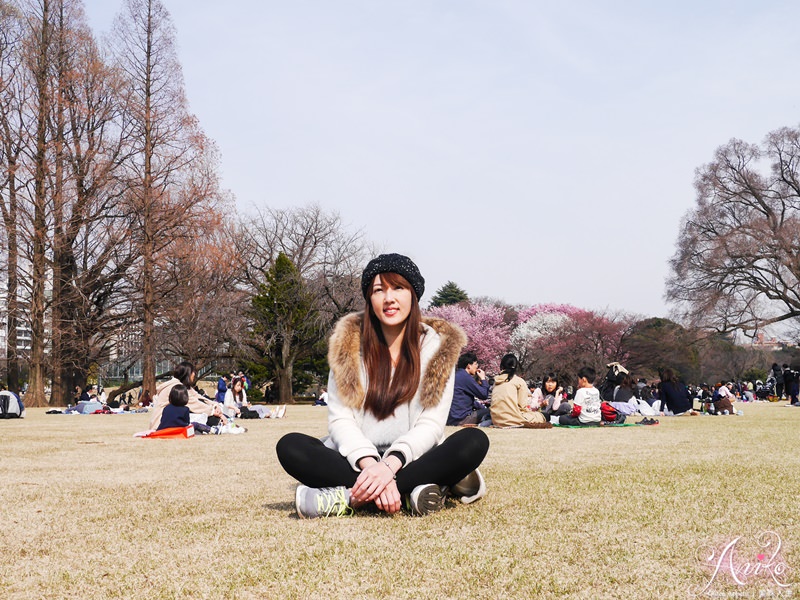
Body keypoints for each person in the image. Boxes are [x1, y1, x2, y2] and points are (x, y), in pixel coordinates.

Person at [276, 253, 490, 519]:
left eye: (398, 288)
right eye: (379, 290)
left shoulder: (438, 349)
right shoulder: (348, 346)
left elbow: (431, 424)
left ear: (413, 294)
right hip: (355, 459)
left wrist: (390, 466)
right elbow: (341, 420)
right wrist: (371, 466)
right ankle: (414, 491)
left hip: (412, 456)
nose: (389, 298)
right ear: (369, 299)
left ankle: (350, 498)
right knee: (291, 447)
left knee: (473, 441)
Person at [149, 362, 226, 430]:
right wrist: (213, 411)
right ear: (187, 374)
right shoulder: (176, 387)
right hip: (162, 423)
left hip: (170, 419)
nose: (194, 374)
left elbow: (197, 396)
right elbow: (193, 403)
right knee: (206, 417)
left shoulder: (182, 385)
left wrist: (214, 405)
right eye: (193, 372)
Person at [489, 354, 547, 427]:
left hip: (496, 420)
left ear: (502, 366)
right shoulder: (519, 381)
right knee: (543, 416)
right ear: (515, 367)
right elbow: (522, 406)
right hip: (512, 420)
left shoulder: (496, 382)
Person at [446, 352, 491, 426]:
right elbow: (483, 395)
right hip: (462, 419)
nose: (477, 366)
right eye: (475, 364)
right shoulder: (466, 377)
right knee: (491, 411)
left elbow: (464, 399)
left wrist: (480, 406)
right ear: (469, 366)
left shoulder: (455, 375)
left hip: (451, 418)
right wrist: (483, 379)